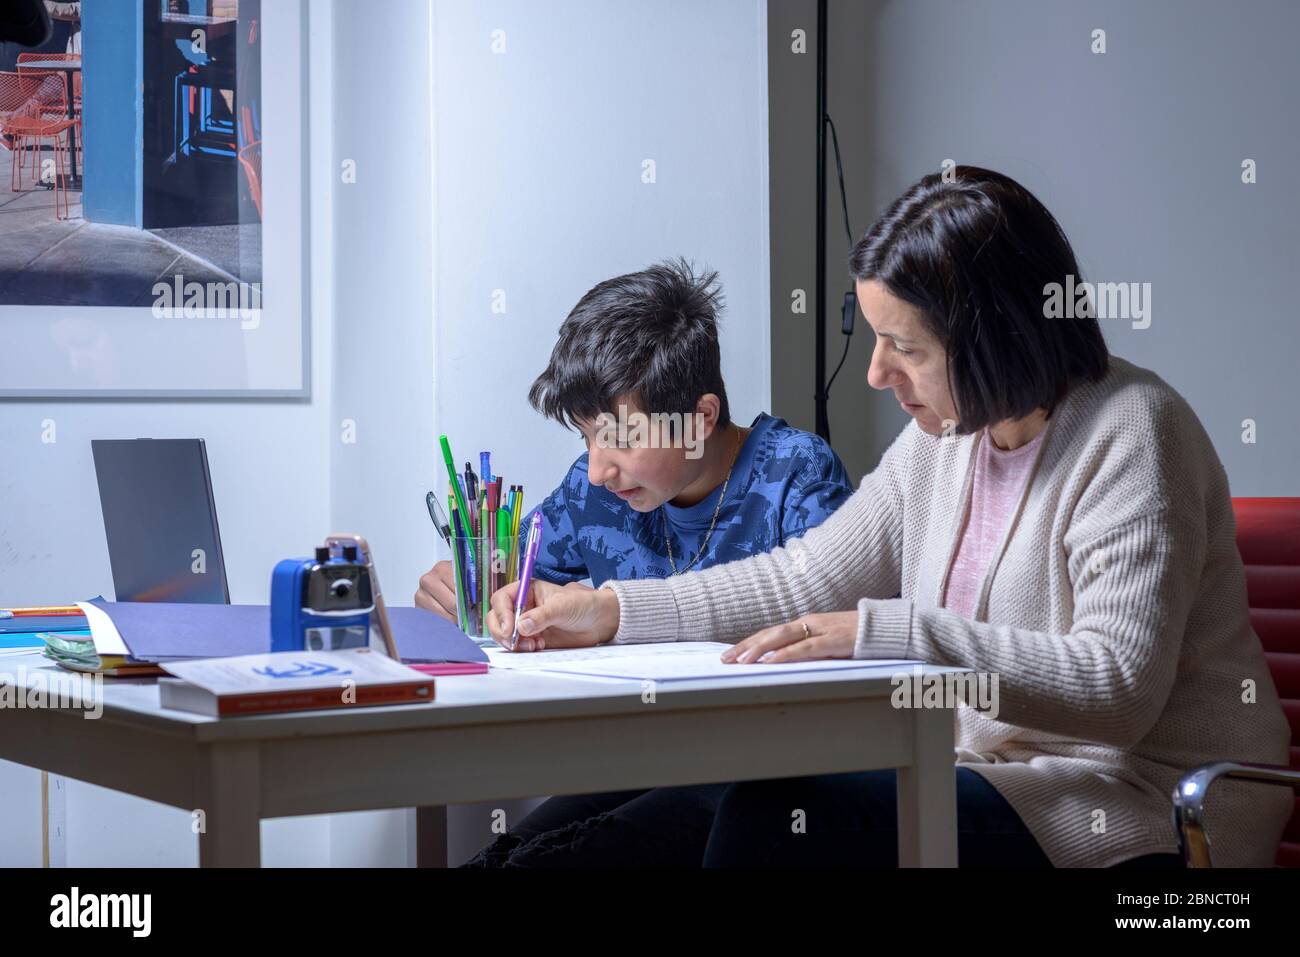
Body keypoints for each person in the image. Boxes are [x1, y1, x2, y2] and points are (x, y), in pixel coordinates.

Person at [480, 167, 1294, 868]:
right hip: (980, 770)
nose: (875, 372)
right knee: (683, 787)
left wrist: (899, 634)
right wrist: (611, 612)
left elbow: (1118, 690)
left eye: (902, 346)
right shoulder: (943, 442)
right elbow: (801, 575)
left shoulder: (1134, 430)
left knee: (774, 823)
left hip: (1139, 800)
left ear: (992, 338)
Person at [413, 257, 856, 866]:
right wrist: (472, 594)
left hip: (762, 771)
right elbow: (525, 586)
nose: (599, 468)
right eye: (587, 438)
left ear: (699, 419)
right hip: (638, 756)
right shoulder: (595, 488)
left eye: (620, 438)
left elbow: (827, 647)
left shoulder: (796, 474)